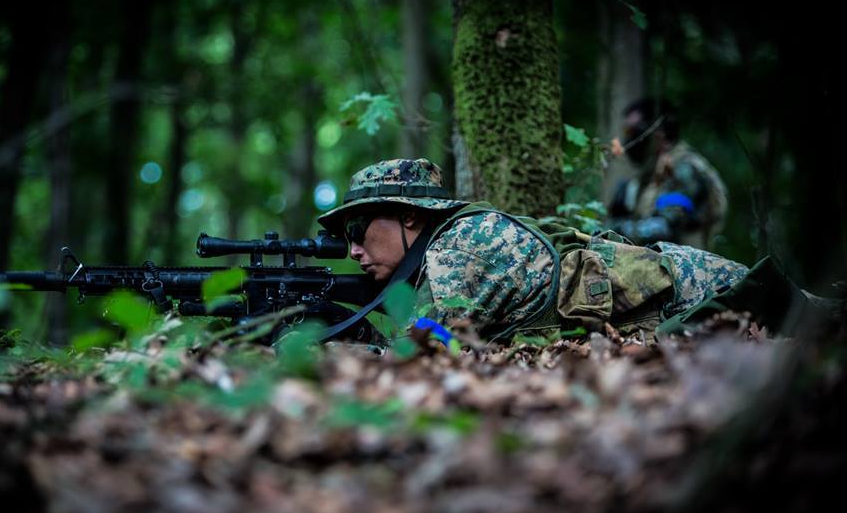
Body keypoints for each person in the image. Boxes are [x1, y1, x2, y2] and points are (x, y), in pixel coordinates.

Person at [318, 158, 775, 343]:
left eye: (358, 228)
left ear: (410, 216)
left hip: (698, 290)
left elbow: (423, 353)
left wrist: (334, 332)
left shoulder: (458, 247)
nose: (353, 248)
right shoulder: (444, 248)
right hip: (681, 291)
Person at [606, 98, 728, 250]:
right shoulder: (651, 174)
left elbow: (666, 227)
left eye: (633, 131)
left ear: (658, 133)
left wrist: (613, 229)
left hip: (686, 269)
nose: (629, 139)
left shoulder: (684, 169)